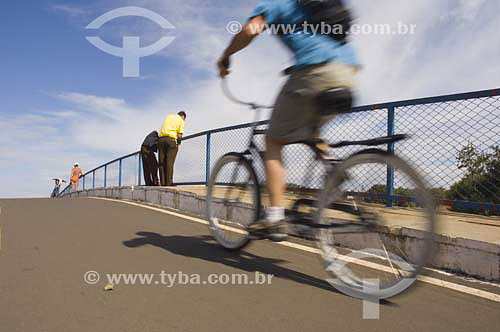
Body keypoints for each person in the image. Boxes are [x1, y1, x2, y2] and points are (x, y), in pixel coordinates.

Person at [217, 0, 359, 241]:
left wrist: (226, 56)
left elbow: (251, 29)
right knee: (311, 131)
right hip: (347, 72)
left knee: (274, 141)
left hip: (313, 71)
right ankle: (332, 165)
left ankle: (274, 218)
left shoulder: (278, 3)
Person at [158, 111, 186, 186]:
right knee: (169, 162)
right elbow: (179, 135)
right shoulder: (181, 120)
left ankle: (162, 182)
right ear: (183, 116)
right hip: (171, 140)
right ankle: (169, 183)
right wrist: (178, 143)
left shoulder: (168, 116)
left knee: (161, 162)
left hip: (161, 140)